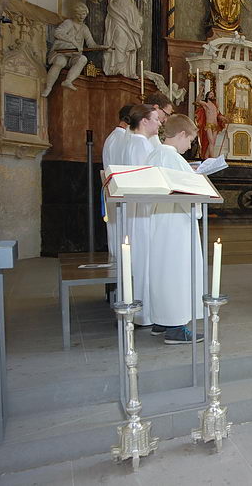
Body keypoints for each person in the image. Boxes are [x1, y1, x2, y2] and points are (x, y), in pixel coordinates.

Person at [146, 115, 205, 344]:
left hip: (160, 222)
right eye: (189, 140)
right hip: (176, 226)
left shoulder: (155, 154)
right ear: (181, 134)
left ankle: (162, 320)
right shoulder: (173, 157)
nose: (189, 146)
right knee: (178, 273)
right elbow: (186, 193)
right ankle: (176, 328)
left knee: (163, 272)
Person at [92, 0, 171, 78]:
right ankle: (117, 68)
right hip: (118, 13)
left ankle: (128, 70)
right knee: (119, 38)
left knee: (130, 43)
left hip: (130, 16)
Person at [124, 104, 161, 326]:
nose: (159, 123)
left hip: (141, 208)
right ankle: (144, 313)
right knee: (144, 260)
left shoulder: (138, 142)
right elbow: (147, 178)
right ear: (144, 121)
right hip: (144, 210)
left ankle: (144, 311)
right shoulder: (140, 144)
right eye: (156, 119)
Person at [41, 3, 105, 97]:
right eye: (79, 14)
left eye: (84, 14)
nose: (81, 16)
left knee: (83, 59)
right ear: (75, 13)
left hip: (73, 55)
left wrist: (101, 47)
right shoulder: (69, 23)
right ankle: (48, 87)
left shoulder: (84, 28)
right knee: (60, 62)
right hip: (62, 52)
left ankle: (68, 81)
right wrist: (72, 41)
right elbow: (57, 33)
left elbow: (91, 44)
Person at [102, 105, 133, 260]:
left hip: (113, 190)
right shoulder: (123, 139)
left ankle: (117, 262)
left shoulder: (112, 137)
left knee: (115, 232)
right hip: (121, 191)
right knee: (122, 232)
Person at [196, 90, 227, 159]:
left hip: (215, 126)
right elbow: (198, 100)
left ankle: (206, 156)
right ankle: (212, 158)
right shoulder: (206, 104)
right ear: (207, 96)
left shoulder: (215, 106)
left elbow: (218, 116)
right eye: (210, 94)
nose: (212, 96)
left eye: (213, 94)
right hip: (209, 125)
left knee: (213, 142)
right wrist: (200, 91)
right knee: (211, 141)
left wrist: (224, 118)